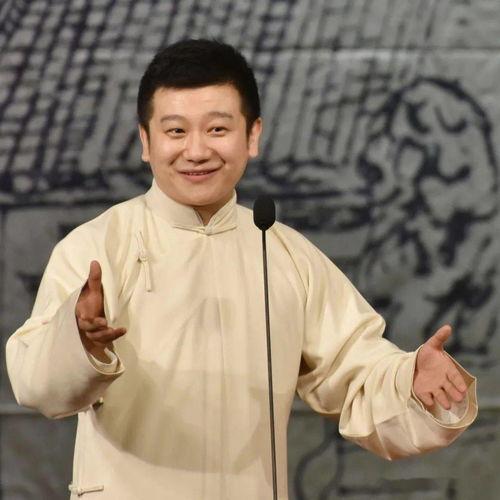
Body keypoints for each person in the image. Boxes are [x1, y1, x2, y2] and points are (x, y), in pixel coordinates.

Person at [6, 39, 477, 500]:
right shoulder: (96, 247)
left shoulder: (286, 253)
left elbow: (356, 370)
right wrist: (79, 339)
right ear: (146, 141)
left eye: (217, 129)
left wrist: (409, 383)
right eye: (175, 131)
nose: (196, 151)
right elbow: (35, 384)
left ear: (252, 135)